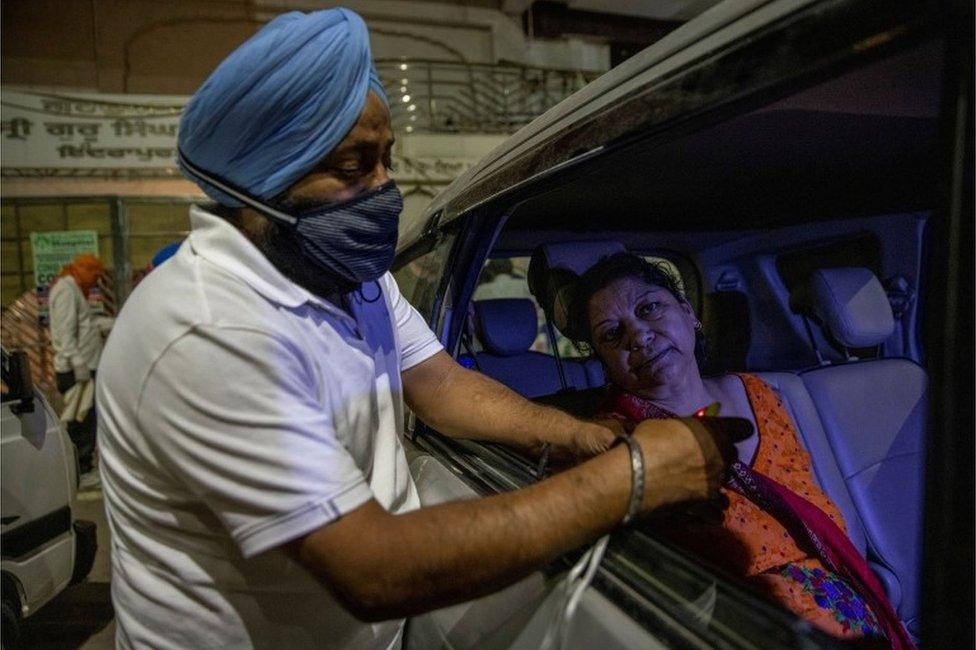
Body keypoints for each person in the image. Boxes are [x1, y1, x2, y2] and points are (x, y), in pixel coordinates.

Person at [95, 9, 745, 649]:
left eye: (387, 159)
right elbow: (374, 569)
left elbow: (439, 383)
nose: (388, 188)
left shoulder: (350, 277)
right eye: (354, 168)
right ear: (260, 184)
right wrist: (633, 476)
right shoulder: (208, 333)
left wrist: (576, 435)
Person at [566, 251, 913, 647]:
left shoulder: (762, 394)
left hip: (855, 620)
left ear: (687, 312)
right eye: (612, 334)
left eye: (649, 308)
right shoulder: (613, 441)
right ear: (605, 362)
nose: (639, 336)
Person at [48, 252, 110, 475]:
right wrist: (78, 363)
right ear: (82, 269)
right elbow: (65, 332)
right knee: (79, 420)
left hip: (84, 366)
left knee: (86, 418)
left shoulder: (75, 289)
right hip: (76, 370)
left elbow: (84, 324)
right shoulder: (66, 290)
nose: (96, 279)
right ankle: (79, 469)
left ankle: (82, 465)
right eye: (94, 273)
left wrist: (106, 324)